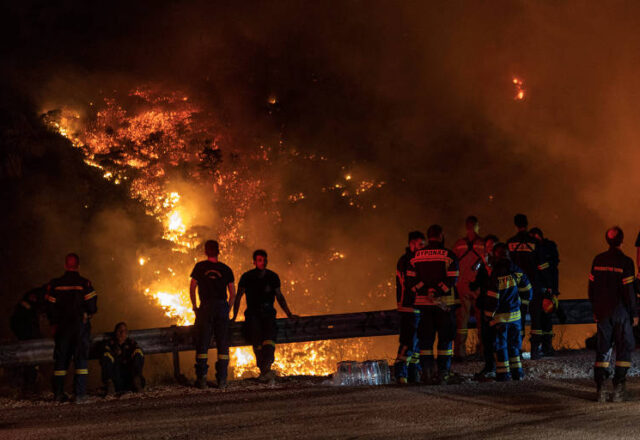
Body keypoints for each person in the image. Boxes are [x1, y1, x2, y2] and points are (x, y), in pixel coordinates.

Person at [232, 249, 297, 384]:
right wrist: (233, 316)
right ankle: (264, 370)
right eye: (260, 260)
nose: (263, 262)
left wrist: (289, 314)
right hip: (253, 315)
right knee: (257, 342)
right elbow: (238, 297)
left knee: (269, 341)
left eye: (265, 260)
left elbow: (280, 297)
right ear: (254, 262)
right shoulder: (247, 277)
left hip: (268, 315)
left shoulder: (273, 277)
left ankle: (266, 369)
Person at [406, 224, 460, 384]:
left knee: (426, 342)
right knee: (445, 341)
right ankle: (443, 373)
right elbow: (452, 278)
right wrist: (437, 291)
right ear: (441, 235)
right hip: (444, 306)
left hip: (424, 306)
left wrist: (426, 291)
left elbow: (410, 280)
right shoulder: (449, 255)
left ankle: (427, 374)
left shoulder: (415, 256)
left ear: (428, 236)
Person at [588, 226, 637, 402]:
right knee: (624, 347)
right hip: (621, 311)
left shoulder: (598, 260)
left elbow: (591, 288)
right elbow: (629, 291)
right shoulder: (626, 262)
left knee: (603, 347)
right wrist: (634, 312)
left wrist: (595, 309)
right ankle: (618, 389)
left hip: (602, 311)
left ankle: (601, 388)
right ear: (622, 241)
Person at [45, 253, 97, 402]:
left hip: (62, 327)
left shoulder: (56, 284)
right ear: (78, 266)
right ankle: (79, 395)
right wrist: (87, 313)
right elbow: (92, 306)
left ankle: (58, 394)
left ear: (65, 265)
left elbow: (49, 306)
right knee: (80, 359)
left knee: (61, 360)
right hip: (80, 326)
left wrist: (54, 323)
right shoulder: (84, 284)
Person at [189, 240, 235, 389]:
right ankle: (222, 380)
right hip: (221, 307)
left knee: (203, 343)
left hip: (206, 307)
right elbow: (232, 294)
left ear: (205, 251)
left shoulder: (199, 267)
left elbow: (192, 288)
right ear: (218, 251)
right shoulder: (226, 269)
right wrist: (227, 309)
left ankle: (201, 379)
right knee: (223, 344)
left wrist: (195, 306)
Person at [483, 243, 532, 381]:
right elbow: (528, 290)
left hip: (500, 319)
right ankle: (517, 373)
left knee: (501, 346)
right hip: (515, 317)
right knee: (514, 346)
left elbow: (493, 298)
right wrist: (521, 306)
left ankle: (503, 375)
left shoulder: (496, 274)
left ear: (496, 256)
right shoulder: (516, 270)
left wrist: (488, 316)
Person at [506, 214, 552, 358]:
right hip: (534, 286)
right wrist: (548, 286)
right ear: (527, 224)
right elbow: (543, 266)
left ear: (515, 225)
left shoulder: (510, 243)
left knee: (517, 318)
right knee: (536, 319)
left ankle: (516, 350)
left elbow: (507, 266)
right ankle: (535, 351)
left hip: (516, 288)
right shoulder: (535, 243)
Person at [452, 216, 486, 361]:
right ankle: (484, 351)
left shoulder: (459, 244)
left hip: (462, 287)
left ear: (466, 227)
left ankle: (460, 353)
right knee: (482, 320)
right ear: (477, 226)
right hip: (479, 286)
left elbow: (452, 263)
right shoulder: (483, 243)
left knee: (461, 322)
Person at [394, 231, 426, 384]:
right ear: (412, 243)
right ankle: (401, 373)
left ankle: (413, 375)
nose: (422, 248)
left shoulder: (416, 259)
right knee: (409, 342)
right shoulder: (407, 261)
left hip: (418, 306)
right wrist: (426, 283)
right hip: (408, 307)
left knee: (417, 343)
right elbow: (410, 284)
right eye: (420, 244)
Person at [469, 234, 499, 380]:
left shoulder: (501, 263)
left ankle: (501, 368)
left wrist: (486, 265)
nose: (488, 250)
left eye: (491, 247)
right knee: (486, 338)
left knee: (497, 338)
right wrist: (473, 284)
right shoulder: (483, 263)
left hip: (497, 307)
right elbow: (480, 280)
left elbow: (495, 279)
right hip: (484, 304)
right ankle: (489, 367)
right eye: (487, 247)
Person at [10, 285, 46, 395]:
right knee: (30, 361)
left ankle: (27, 386)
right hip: (27, 333)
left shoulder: (30, 302)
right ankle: (28, 387)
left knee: (29, 361)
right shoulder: (36, 299)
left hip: (25, 333)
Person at [529, 227, 560, 356]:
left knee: (545, 318)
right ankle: (541, 348)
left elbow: (550, 269)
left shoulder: (544, 249)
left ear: (536, 236)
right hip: (543, 288)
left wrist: (551, 289)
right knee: (541, 318)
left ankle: (543, 348)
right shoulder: (547, 248)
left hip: (542, 288)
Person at [101, 322, 145, 395]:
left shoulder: (131, 343)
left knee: (138, 352)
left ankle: (137, 381)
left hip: (130, 376)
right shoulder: (110, 344)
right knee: (106, 356)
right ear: (115, 332)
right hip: (116, 377)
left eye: (124, 331)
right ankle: (110, 384)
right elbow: (105, 355)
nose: (121, 333)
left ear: (126, 333)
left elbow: (138, 352)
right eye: (119, 331)